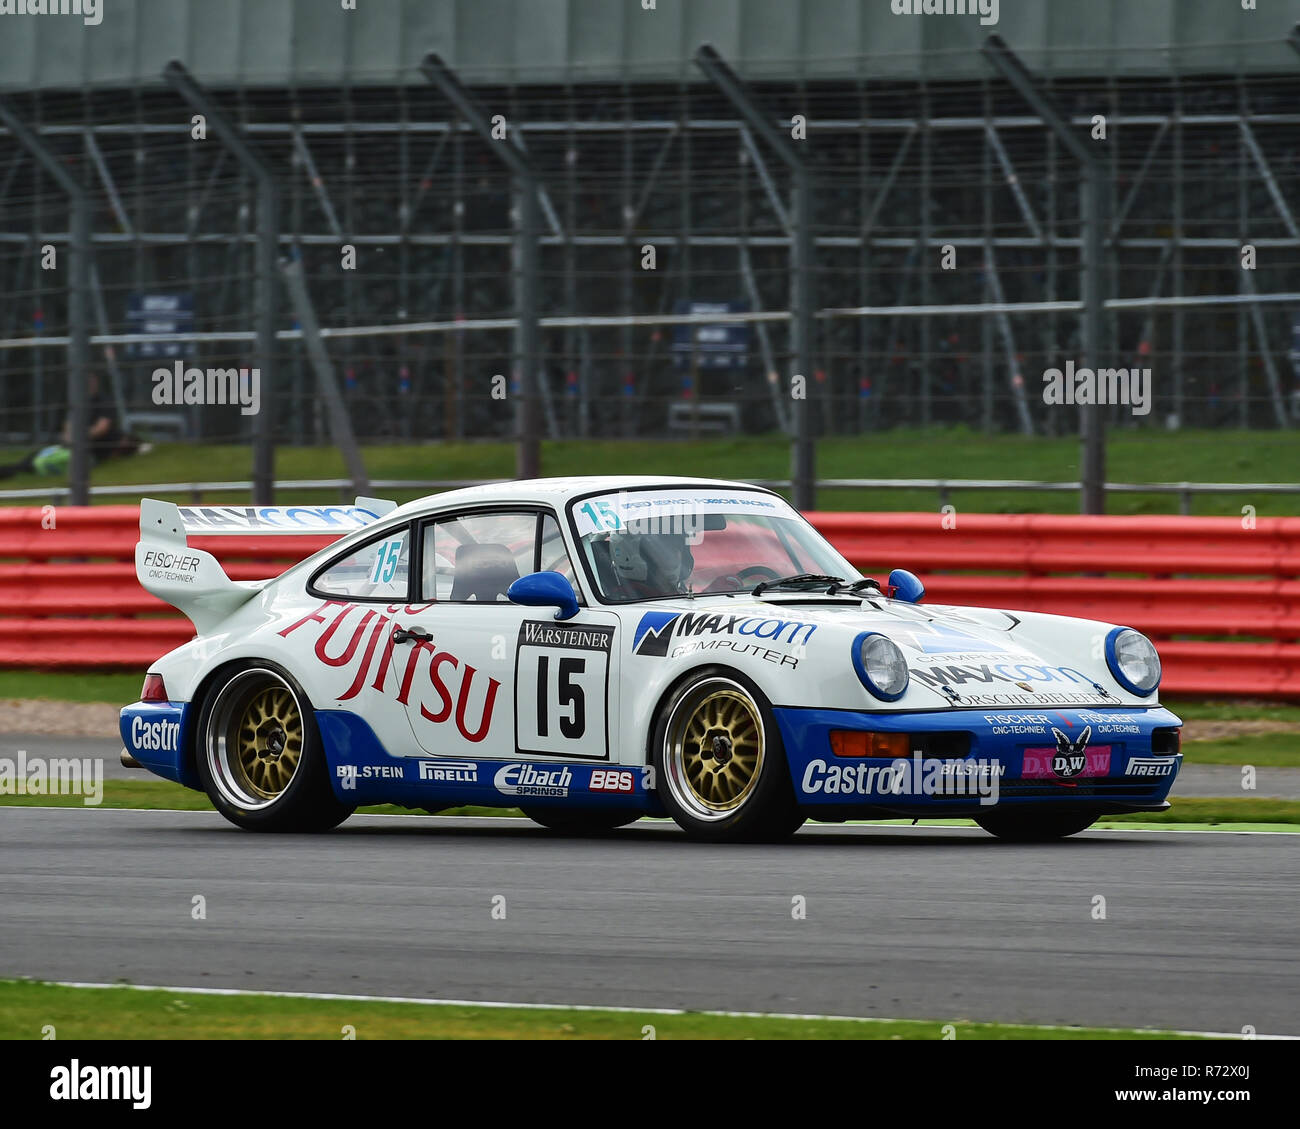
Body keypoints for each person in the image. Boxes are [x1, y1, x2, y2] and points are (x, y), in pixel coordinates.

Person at [0, 372, 143, 480]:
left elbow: (102, 427)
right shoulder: (77, 403)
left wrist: (79, 436)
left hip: (89, 452)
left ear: (95, 382)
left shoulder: (103, 402)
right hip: (72, 447)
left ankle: (14, 471)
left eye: (90, 381)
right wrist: (72, 438)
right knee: (34, 457)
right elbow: (67, 429)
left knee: (37, 464)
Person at [607, 529, 695, 599]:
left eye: (677, 549)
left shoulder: (681, 592)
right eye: (665, 553)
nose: (673, 557)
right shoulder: (625, 598)